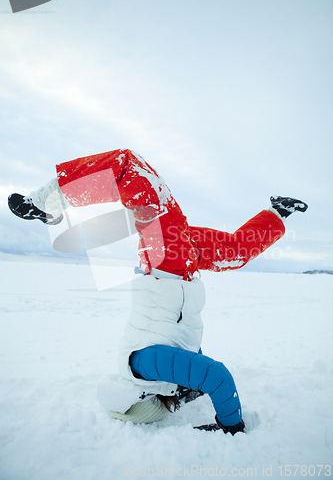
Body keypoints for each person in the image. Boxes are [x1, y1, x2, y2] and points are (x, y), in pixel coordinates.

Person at [8, 149, 308, 434]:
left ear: (141, 395)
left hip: (164, 260)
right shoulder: (169, 376)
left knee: (129, 170)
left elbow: (218, 377)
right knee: (234, 251)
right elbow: (199, 371)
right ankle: (277, 211)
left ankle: (45, 202)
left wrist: (231, 425)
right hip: (179, 266)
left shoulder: (145, 365)